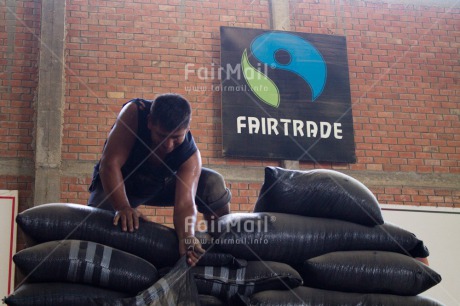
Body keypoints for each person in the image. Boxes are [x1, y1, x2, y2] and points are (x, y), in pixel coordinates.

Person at [88, 94, 231, 266]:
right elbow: (110, 164)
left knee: (212, 182)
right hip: (120, 182)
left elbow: (185, 204)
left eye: (176, 138)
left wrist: (187, 236)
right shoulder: (134, 113)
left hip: (160, 185)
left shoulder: (190, 154)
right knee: (94, 227)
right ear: (150, 122)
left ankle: (222, 247)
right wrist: (123, 207)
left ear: (187, 129)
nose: (168, 145)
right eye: (162, 136)